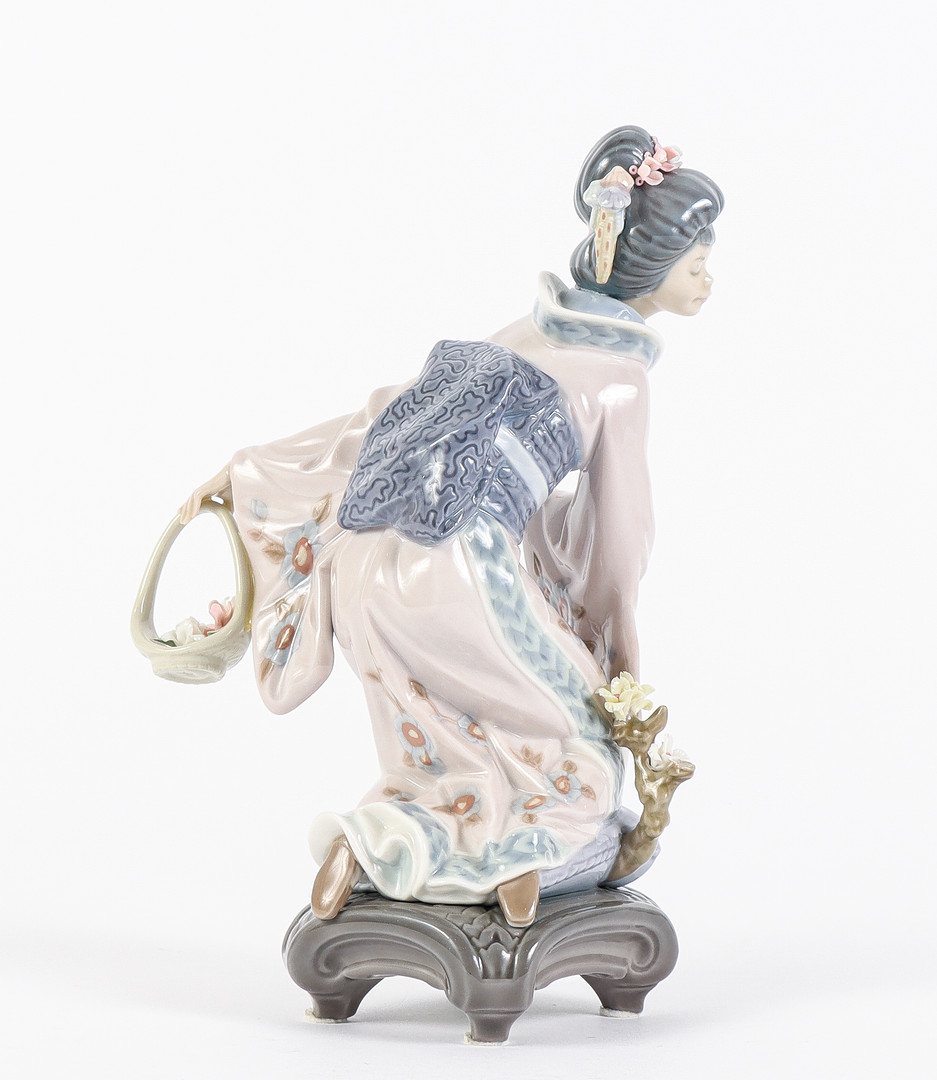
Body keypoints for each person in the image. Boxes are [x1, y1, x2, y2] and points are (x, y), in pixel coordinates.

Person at [180, 126, 723, 927]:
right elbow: (619, 540)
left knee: (443, 738)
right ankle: (520, 867)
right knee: (581, 748)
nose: (709, 278)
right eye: (697, 261)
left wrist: (252, 469)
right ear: (649, 264)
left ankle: (377, 841)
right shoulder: (620, 379)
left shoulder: (527, 330)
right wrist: (613, 651)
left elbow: (387, 417)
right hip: (458, 564)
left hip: (362, 559)